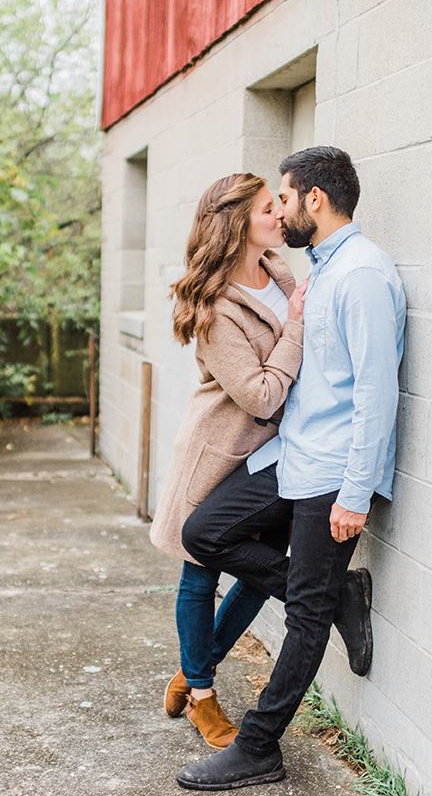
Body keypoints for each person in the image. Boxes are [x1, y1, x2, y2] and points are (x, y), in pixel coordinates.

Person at [175, 147, 406, 790]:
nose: (278, 208)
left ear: (314, 200)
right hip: (290, 455)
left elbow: (376, 396)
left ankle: (258, 746)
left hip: (333, 470)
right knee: (203, 534)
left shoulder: (359, 274)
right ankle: (339, 593)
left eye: (284, 196)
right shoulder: (319, 270)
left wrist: (355, 494)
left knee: (303, 616)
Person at [149, 172, 306, 750]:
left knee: (260, 567)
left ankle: (194, 668)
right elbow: (262, 394)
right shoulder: (215, 309)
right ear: (240, 224)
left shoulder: (281, 272)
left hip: (270, 455)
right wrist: (296, 325)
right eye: (270, 208)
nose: (281, 214)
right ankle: (203, 697)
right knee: (201, 569)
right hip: (220, 450)